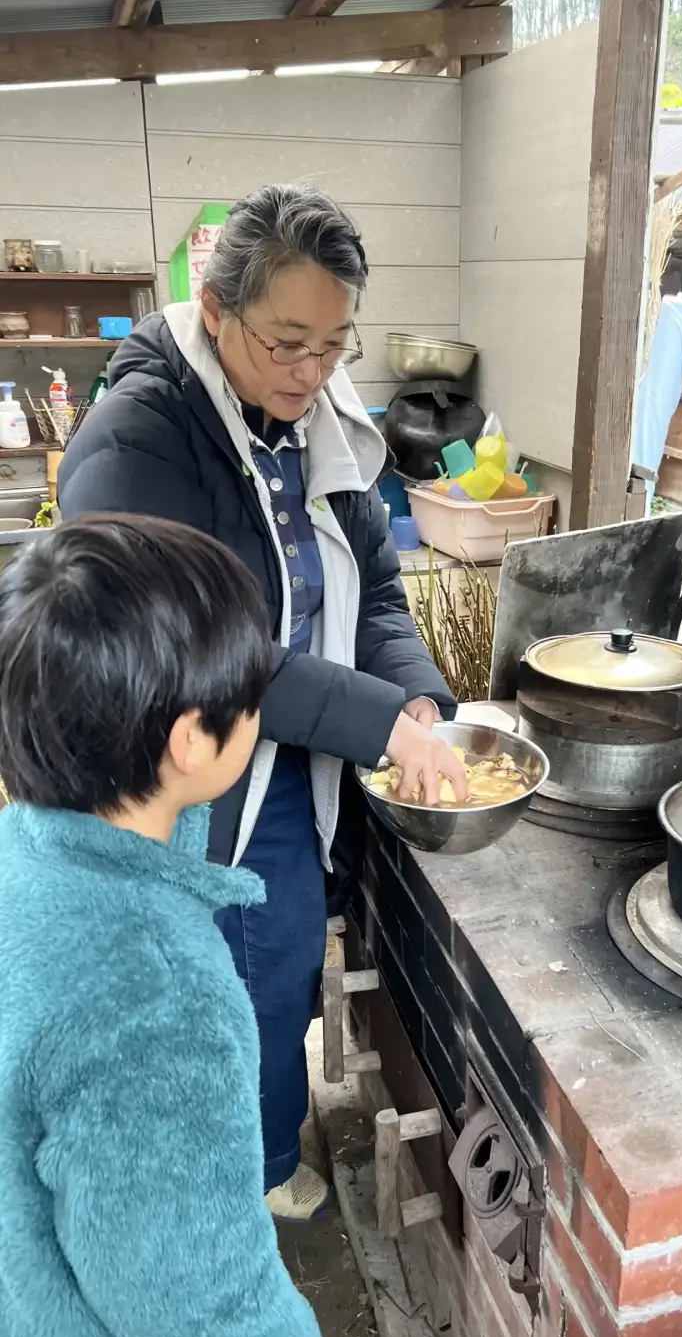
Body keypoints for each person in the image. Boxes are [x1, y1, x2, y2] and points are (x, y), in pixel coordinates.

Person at [59, 184, 467, 1220]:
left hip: (287, 751)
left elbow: (370, 588)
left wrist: (414, 700)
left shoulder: (317, 420)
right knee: (217, 987)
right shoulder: (140, 436)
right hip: (176, 773)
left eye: (334, 346)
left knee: (274, 970)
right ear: (214, 309)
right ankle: (234, 1185)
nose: (311, 372)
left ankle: (254, 1155)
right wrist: (374, 719)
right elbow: (204, 654)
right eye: (287, 342)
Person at [0, 516, 327, 1337]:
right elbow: (187, 1286)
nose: (259, 707)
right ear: (191, 741)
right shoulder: (154, 992)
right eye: (250, 692)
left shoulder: (27, 851)